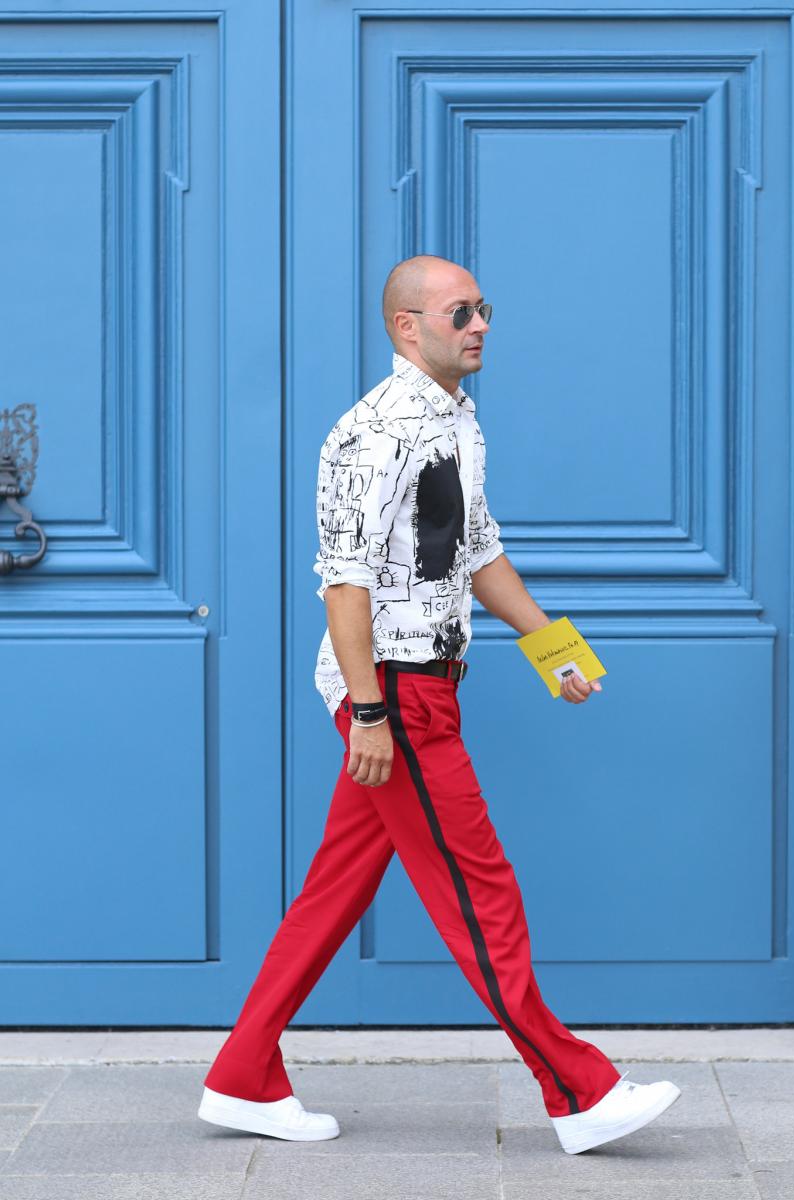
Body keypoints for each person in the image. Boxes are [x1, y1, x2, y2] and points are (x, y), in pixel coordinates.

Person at [198, 254, 681, 1154]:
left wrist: (555, 651)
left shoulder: (456, 420)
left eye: (483, 308)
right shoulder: (371, 433)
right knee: (479, 887)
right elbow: (344, 584)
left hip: (424, 689)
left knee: (333, 892)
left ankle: (241, 1076)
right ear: (407, 326)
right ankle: (579, 1090)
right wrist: (370, 713)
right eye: (461, 312)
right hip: (397, 694)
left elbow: (478, 551)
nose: (481, 324)